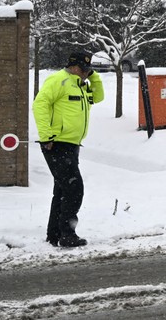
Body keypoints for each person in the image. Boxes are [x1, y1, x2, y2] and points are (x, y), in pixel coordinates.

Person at [32, 50, 105, 248]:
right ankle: (66, 234)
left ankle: (54, 234)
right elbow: (40, 104)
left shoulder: (81, 85)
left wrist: (94, 76)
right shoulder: (58, 80)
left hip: (72, 145)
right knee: (74, 189)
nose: (85, 72)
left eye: (88, 69)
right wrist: (46, 135)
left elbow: (98, 97)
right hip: (56, 143)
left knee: (63, 190)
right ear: (73, 66)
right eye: (83, 68)